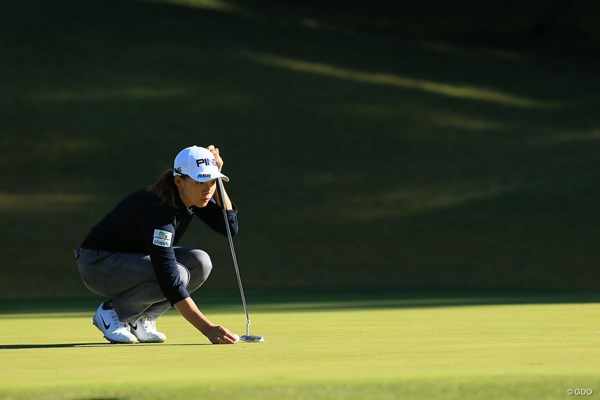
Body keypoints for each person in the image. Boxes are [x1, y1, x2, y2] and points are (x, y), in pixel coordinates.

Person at [75, 145, 239, 345]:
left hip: (137, 262)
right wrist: (207, 328)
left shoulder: (193, 195)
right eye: (200, 181)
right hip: (98, 264)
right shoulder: (158, 209)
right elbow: (167, 277)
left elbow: (229, 227)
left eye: (212, 181)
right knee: (178, 274)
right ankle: (113, 312)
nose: (207, 188)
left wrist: (219, 179)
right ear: (179, 181)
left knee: (200, 262)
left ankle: (142, 319)